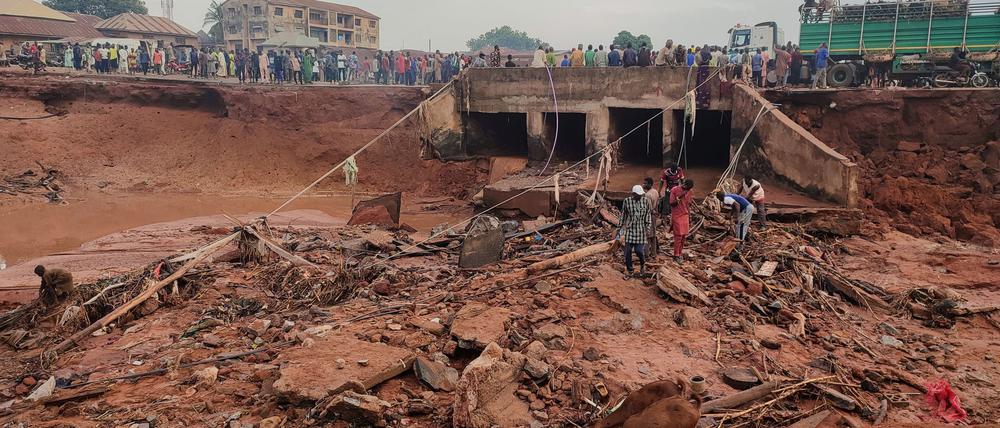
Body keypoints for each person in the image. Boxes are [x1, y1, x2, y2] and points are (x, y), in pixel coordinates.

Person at [620, 185, 653, 277]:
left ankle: (643, 263)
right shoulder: (627, 201)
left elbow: (647, 215)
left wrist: (648, 228)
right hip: (630, 230)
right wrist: (620, 228)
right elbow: (623, 215)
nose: (640, 196)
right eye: (638, 195)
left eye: (641, 194)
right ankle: (630, 270)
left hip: (641, 230)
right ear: (633, 194)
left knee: (639, 251)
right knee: (628, 251)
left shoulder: (645, 201)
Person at [669, 179, 695, 260]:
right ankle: (676, 255)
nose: (687, 190)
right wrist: (680, 196)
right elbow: (672, 204)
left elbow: (688, 204)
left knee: (684, 236)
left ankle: (679, 253)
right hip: (677, 215)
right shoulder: (674, 190)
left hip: (685, 215)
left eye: (688, 189)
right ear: (684, 184)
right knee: (678, 236)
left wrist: (689, 216)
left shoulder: (690, 191)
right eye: (686, 188)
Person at [642, 177, 660, 258]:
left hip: (648, 217)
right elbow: (657, 205)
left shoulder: (647, 195)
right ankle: (654, 253)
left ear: (650, 184)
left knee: (647, 236)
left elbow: (648, 208)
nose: (643, 185)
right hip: (654, 216)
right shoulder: (655, 192)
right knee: (653, 235)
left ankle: (646, 254)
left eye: (645, 183)